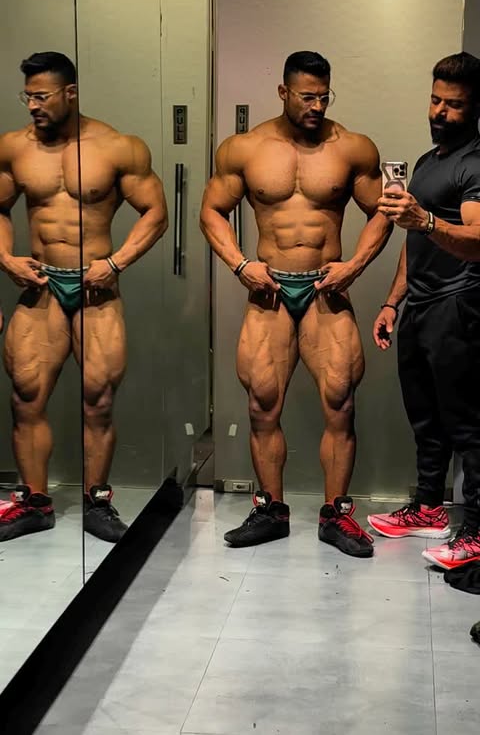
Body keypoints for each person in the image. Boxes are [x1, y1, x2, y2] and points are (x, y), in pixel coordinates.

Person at [200, 50, 392, 556]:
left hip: (326, 288)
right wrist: (241, 264)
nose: (317, 106)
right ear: (283, 92)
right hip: (271, 290)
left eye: (324, 96)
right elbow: (211, 212)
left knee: (341, 401)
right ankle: (271, 511)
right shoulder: (245, 148)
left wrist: (354, 266)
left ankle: (336, 515)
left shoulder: (352, 147)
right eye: (307, 96)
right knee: (262, 403)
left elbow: (382, 212)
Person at [0, 51, 168, 543]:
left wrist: (115, 262)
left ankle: (97, 502)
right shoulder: (14, 148)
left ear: (70, 93)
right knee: (26, 397)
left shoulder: (117, 147)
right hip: (42, 285)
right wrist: (6, 258)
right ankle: (34, 503)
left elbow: (156, 212)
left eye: (41, 96)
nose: (33, 105)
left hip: (96, 288)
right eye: (27, 97)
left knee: (99, 399)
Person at [369, 51, 480, 571]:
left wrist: (428, 221)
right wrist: (393, 301)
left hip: (459, 303)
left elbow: (477, 239)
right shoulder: (427, 161)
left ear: (474, 107)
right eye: (435, 100)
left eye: (453, 104)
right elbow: (413, 242)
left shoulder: (474, 163)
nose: (439, 111)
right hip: (420, 304)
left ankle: (476, 532)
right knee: (425, 416)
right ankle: (430, 508)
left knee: (468, 425)